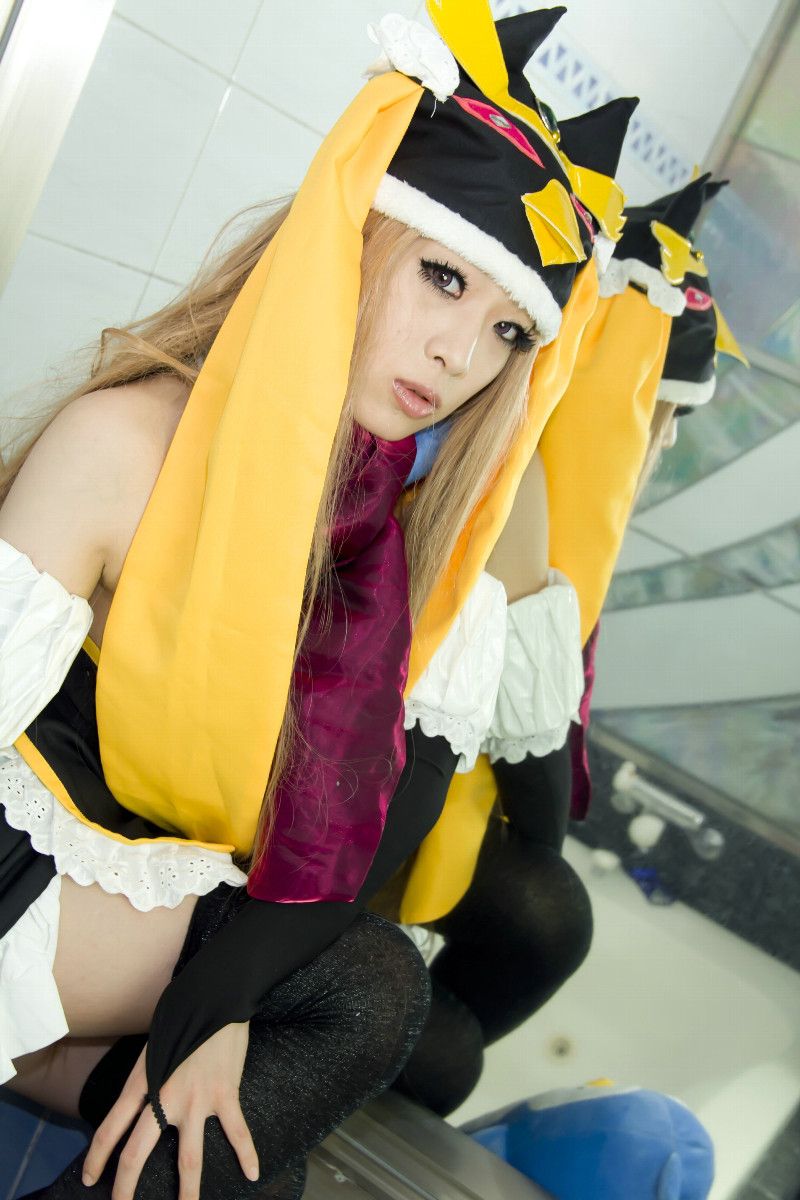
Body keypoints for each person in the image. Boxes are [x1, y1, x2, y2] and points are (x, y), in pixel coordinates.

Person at [0, 3, 605, 1197]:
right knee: (360, 994)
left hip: (139, 919)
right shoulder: (132, 443)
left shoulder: (409, 550)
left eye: (500, 330)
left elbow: (373, 845)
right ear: (349, 237)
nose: (456, 357)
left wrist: (225, 1002)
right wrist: (231, 989)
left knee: (243, 1140)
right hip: (29, 877)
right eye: (439, 277)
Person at [393, 173, 747, 1117]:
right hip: (357, 790)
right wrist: (536, 849)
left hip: (395, 786)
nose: (660, 442)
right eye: (662, 414)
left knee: (541, 919)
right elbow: (534, 736)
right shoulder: (519, 456)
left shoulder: (519, 446)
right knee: (505, 970)